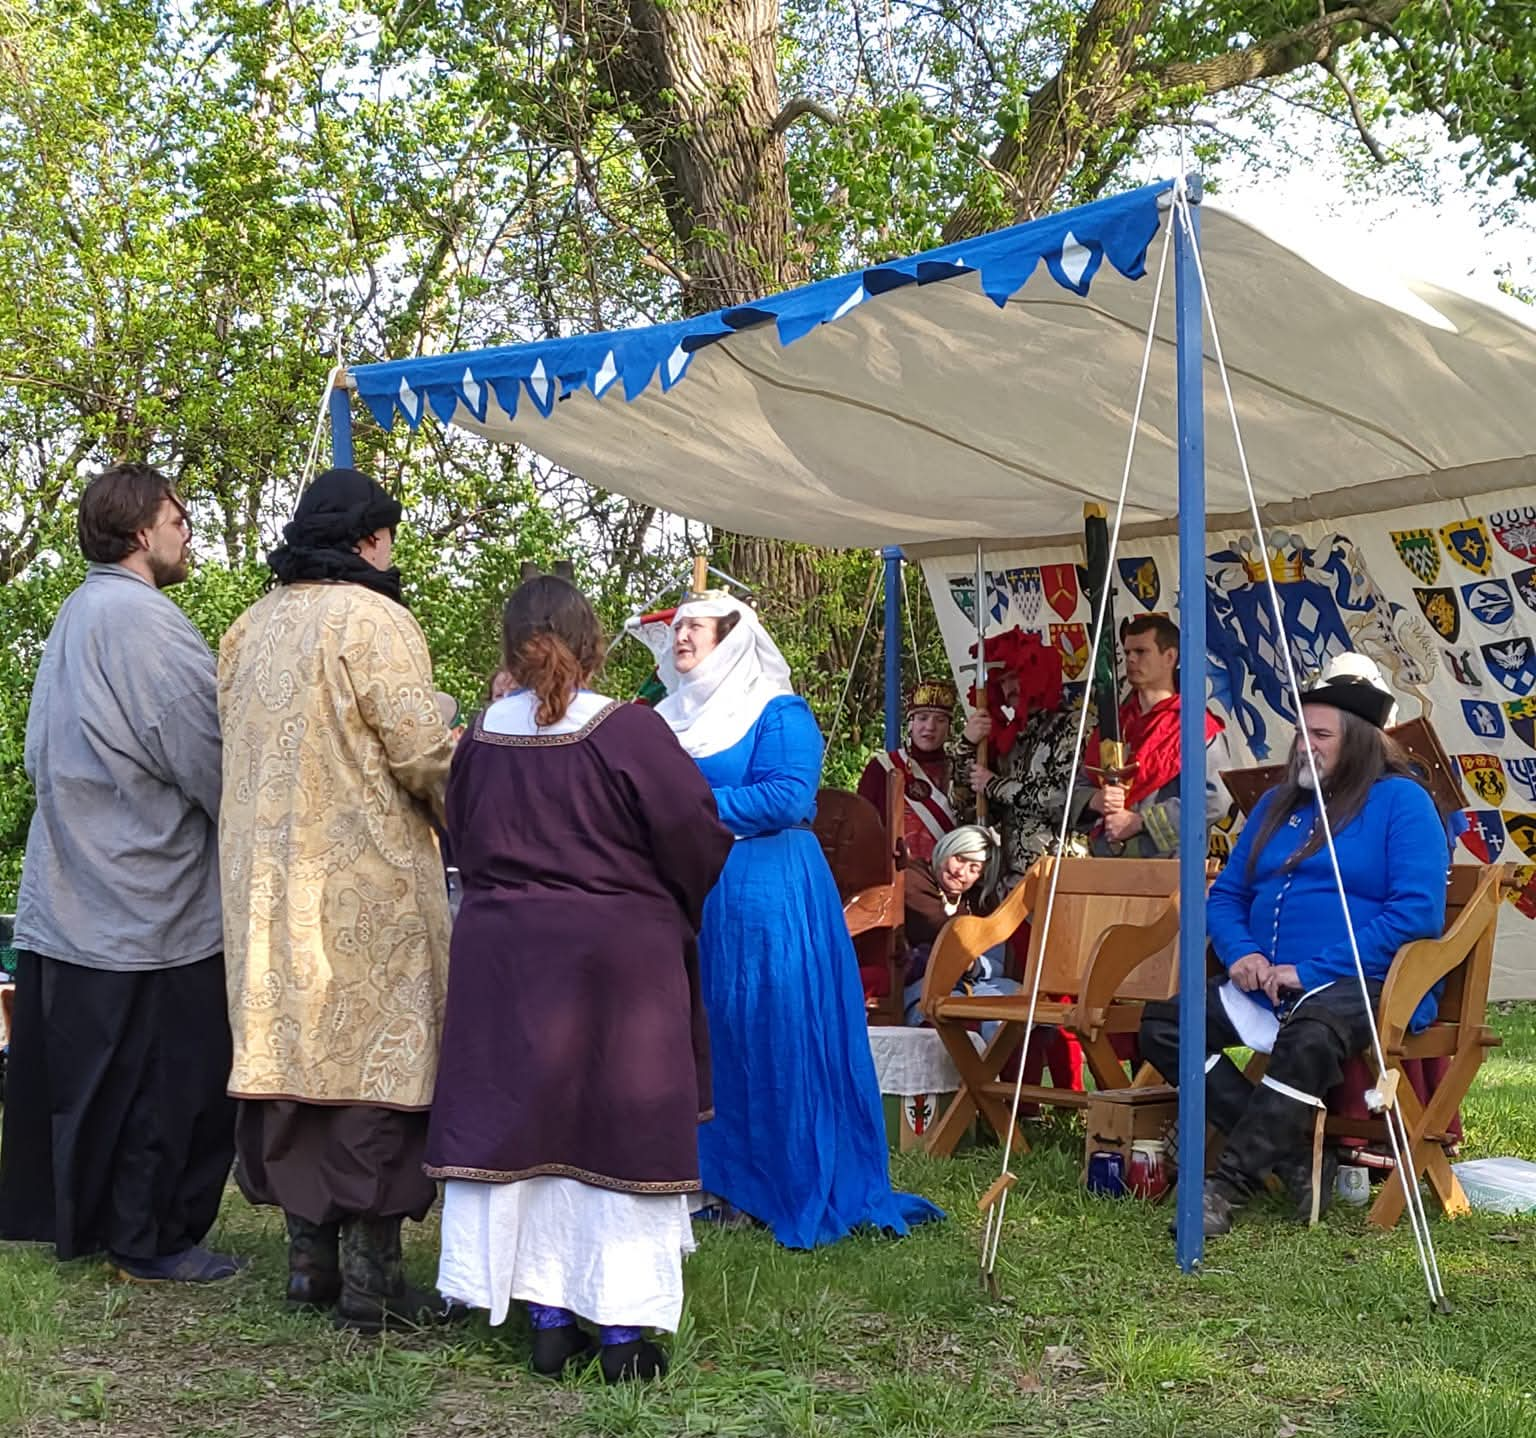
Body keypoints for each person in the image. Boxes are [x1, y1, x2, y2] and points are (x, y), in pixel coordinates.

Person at [426, 577, 732, 1383]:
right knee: (615, 1134)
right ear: (591, 642)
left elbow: (461, 836)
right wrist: (659, 906)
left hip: (506, 959)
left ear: (510, 646)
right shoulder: (627, 731)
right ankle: (623, 1335)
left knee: (531, 1137)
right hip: (613, 960)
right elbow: (696, 832)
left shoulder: (484, 735)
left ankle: (550, 1321)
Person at [218, 467, 461, 1330]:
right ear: (369, 540)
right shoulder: (376, 620)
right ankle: (373, 1282)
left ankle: (305, 1264)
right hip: (366, 890)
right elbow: (422, 755)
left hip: (265, 892)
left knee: (292, 1065)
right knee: (372, 1074)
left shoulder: (247, 627)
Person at [631, 592, 942, 1248]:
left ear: (734, 637)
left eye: (696, 628)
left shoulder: (779, 712)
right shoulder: (661, 718)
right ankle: (703, 1180)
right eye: (677, 627)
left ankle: (775, 1180)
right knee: (703, 1035)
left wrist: (681, 804)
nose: (680, 637)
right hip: (688, 894)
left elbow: (785, 796)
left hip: (766, 894)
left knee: (767, 1033)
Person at [0, 463, 238, 1282]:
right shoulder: (146, 622)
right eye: (179, 517)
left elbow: (42, 753)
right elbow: (203, 754)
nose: (187, 531)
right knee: (170, 1080)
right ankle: (152, 1240)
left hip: (79, 882)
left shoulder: (76, 612)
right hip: (145, 897)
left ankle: (102, 1227)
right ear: (141, 531)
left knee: (96, 1079)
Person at [1139, 655, 1448, 1235]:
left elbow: (1416, 915)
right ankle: (1296, 1154)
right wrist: (1242, 955)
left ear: (1357, 739)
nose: (1305, 745)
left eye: (1321, 734)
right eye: (1300, 732)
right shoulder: (1277, 805)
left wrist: (1310, 971)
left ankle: (1226, 1185)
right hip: (1269, 985)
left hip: (1367, 982)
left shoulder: (1403, 804)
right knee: (1165, 1025)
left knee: (1312, 1035)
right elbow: (1226, 897)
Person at [1078, 615, 1230, 857]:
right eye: (1127, 652)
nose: (1130, 659)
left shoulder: (1195, 727)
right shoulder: (1115, 724)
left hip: (1169, 868)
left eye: (1141, 651)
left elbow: (1214, 801)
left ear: (1169, 657)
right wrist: (1095, 799)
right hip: (1107, 867)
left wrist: (1139, 822)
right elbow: (1080, 784)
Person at [950, 628, 1084, 901]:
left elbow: (1064, 799)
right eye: (1004, 680)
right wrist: (967, 744)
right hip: (1014, 883)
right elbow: (969, 801)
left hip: (1062, 875)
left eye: (1016, 677)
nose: (1010, 687)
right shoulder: (1013, 738)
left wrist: (994, 785)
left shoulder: (1074, 726)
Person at [901, 825, 1017, 1034]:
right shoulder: (912, 880)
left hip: (975, 984)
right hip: (923, 984)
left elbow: (997, 962)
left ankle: (995, 1065)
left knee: (1012, 1006)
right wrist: (966, 955)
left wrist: (972, 965)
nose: (960, 872)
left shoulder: (978, 900)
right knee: (952, 1014)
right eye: (959, 859)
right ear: (946, 850)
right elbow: (939, 931)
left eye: (974, 869)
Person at [857, 678, 959, 868]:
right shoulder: (882, 767)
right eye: (922, 718)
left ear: (949, 728)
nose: (930, 727)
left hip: (949, 875)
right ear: (910, 723)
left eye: (940, 720)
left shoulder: (959, 770)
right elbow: (863, 826)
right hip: (893, 872)